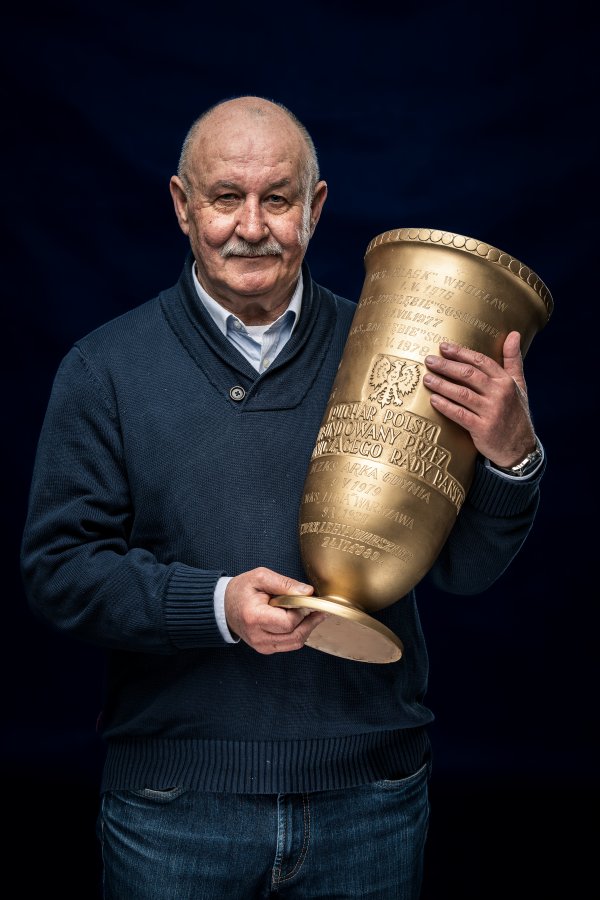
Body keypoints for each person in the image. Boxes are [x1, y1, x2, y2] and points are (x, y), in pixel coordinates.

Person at [20, 95, 546, 899]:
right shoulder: (105, 370)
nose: (253, 226)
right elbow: (59, 573)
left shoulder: (406, 348)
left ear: (316, 206)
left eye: (279, 198)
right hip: (174, 809)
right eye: (226, 197)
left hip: (370, 801)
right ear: (182, 205)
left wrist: (512, 459)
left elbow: (463, 574)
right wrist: (219, 606)